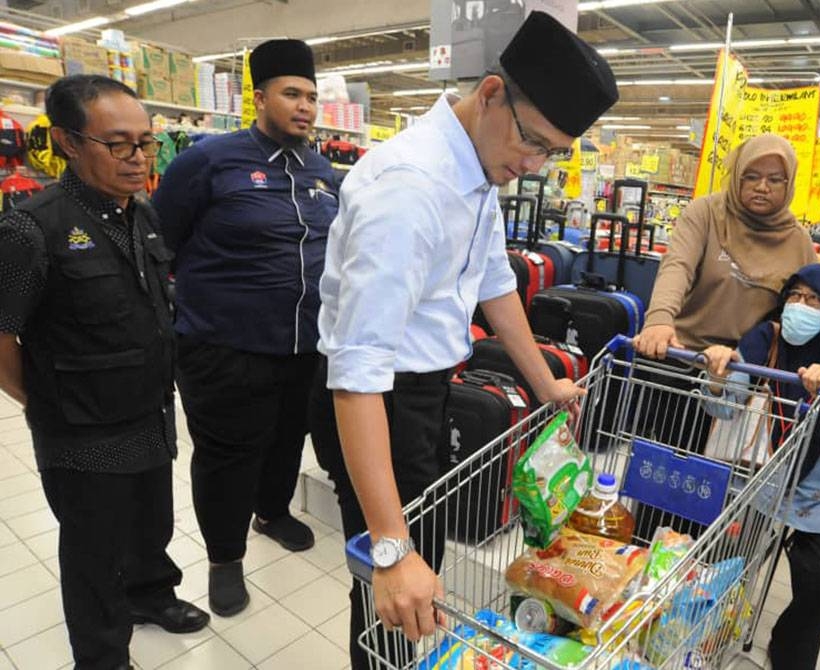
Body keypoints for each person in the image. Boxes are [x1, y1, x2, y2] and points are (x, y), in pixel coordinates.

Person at [311, 11, 611, 667]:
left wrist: (545, 382)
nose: (532, 165)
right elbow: (356, 374)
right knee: (395, 596)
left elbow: (494, 279)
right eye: (533, 143)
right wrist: (389, 550)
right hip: (376, 403)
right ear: (492, 95)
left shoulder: (476, 165)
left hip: (419, 393)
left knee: (428, 561)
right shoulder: (410, 191)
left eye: (551, 154)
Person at [0, 75, 208, 670]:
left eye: (145, 142)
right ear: (67, 141)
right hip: (81, 431)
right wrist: (42, 401)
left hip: (148, 410)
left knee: (151, 523)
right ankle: (101, 655)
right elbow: (2, 336)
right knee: (92, 552)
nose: (139, 158)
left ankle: (150, 595)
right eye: (119, 145)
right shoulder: (30, 229)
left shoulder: (139, 214)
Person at [153, 39, 339, 617]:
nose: (305, 106)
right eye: (291, 94)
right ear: (259, 98)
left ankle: (273, 511)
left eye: (311, 96)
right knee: (228, 454)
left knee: (287, 439)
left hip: (302, 345)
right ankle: (224, 558)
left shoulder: (320, 169)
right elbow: (161, 243)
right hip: (223, 347)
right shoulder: (207, 161)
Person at [701, 263, 820, 670]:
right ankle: (706, 633)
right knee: (722, 557)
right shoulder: (765, 338)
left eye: (814, 300)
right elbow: (721, 409)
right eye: (794, 296)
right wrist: (717, 376)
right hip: (762, 474)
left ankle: (790, 641)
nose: (801, 306)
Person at [633, 133, 816, 357]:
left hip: (745, 368)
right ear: (737, 176)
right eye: (751, 176)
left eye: (775, 179)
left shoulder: (799, 241)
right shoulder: (706, 213)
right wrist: (659, 318)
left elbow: (809, 304)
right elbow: (677, 266)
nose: (762, 187)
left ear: (789, 184)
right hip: (682, 353)